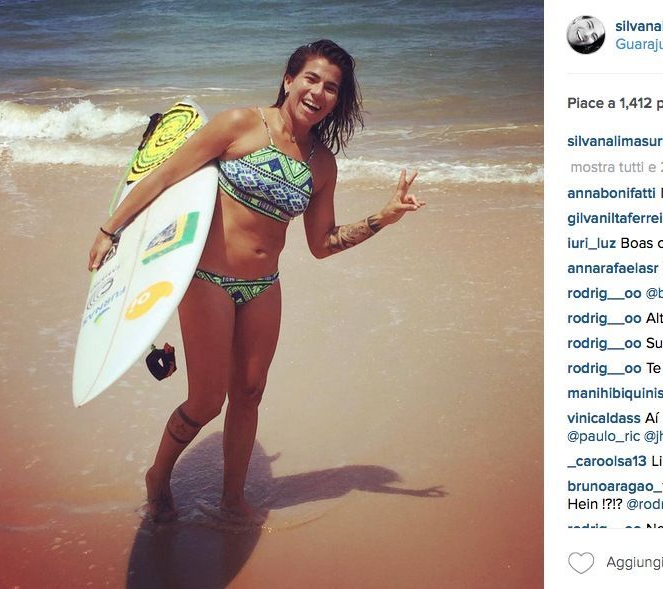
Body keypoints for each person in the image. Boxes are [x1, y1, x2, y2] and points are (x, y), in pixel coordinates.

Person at [87, 40, 424, 522]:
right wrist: (109, 230)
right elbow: (162, 177)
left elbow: (322, 243)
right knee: (207, 401)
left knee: (249, 394)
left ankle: (232, 499)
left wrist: (382, 218)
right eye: (311, 79)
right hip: (208, 278)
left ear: (337, 101)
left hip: (264, 286)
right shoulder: (240, 124)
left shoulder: (321, 164)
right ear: (289, 80)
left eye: (331, 88)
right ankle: (158, 475)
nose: (318, 92)